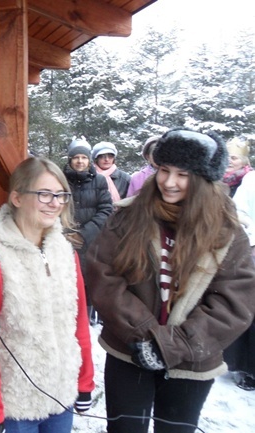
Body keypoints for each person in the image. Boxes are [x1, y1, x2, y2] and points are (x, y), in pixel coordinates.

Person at [85, 128, 255, 433]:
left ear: (205, 180)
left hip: (192, 362)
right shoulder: (127, 216)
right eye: (164, 170)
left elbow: (235, 301)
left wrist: (173, 345)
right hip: (129, 351)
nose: (169, 182)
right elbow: (103, 275)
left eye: (183, 174)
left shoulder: (227, 231)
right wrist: (145, 335)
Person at [0, 157, 94, 433]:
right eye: (45, 194)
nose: (55, 202)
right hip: (14, 406)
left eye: (61, 195)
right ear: (17, 198)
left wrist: (84, 381)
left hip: (61, 398)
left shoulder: (65, 253)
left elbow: (78, 320)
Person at [62, 136, 112, 324]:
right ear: (70, 160)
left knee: (89, 279)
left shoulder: (99, 180)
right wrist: (66, 233)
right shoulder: (61, 180)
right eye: (76, 158)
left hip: (91, 240)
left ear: (89, 160)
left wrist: (85, 233)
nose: (80, 161)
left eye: (84, 158)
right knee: (68, 278)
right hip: (66, 239)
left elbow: (106, 209)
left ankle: (87, 317)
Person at [222, 137, 255, 391]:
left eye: (234, 158)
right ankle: (238, 361)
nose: (230, 163)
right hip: (234, 246)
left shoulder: (249, 179)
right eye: (228, 157)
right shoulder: (235, 182)